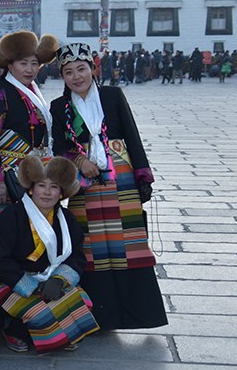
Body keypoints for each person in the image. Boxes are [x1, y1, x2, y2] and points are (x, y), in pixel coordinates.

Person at [49, 42, 167, 330]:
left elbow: (132, 134)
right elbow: (59, 146)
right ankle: (100, 316)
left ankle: (139, 314)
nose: (76, 76)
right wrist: (78, 159)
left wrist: (143, 176)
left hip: (120, 177)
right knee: (91, 245)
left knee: (127, 241)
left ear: (93, 68)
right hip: (83, 184)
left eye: (81, 69)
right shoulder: (59, 106)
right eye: (69, 72)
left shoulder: (113, 96)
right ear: (62, 76)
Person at [0, 155, 99, 354]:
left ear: (61, 192)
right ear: (31, 188)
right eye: (41, 185)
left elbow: (77, 255)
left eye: (54, 187)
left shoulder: (67, 219)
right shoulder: (11, 216)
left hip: (50, 278)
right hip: (11, 279)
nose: (47, 193)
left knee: (84, 302)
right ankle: (16, 331)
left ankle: (59, 332)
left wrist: (59, 280)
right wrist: (30, 285)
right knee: (40, 314)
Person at [0, 30, 59, 217]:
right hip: (9, 176)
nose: (30, 70)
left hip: (36, 173)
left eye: (35, 64)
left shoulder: (32, 90)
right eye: (23, 64)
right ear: (10, 65)